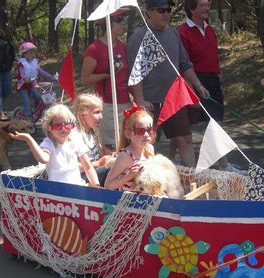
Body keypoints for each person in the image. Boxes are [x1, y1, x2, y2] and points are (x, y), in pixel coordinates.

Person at [127, 0, 209, 168]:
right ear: (149, 12)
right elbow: (135, 72)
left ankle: (191, 182)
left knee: (185, 139)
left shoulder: (173, 34)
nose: (166, 13)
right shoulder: (139, 37)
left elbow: (184, 64)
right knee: (148, 143)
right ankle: (148, 184)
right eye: (161, 10)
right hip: (150, 102)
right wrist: (140, 100)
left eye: (169, 9)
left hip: (174, 99)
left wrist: (198, 85)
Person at [178, 0, 244, 174]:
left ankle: (224, 165)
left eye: (208, 4)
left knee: (215, 123)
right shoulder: (183, 31)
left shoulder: (210, 29)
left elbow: (212, 57)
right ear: (192, 9)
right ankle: (171, 160)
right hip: (193, 81)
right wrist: (192, 87)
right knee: (182, 127)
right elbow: (182, 63)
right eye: (202, 5)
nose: (207, 8)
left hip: (212, 82)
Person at [9, 104, 100, 186]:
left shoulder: (75, 140)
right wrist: (29, 139)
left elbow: (88, 167)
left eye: (68, 125)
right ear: (48, 127)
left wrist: (96, 185)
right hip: (56, 190)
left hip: (76, 186)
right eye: (58, 126)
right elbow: (43, 159)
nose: (63, 129)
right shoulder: (48, 143)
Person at [80, 9, 131, 155]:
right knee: (110, 146)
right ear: (108, 23)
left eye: (123, 19)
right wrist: (107, 74)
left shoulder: (123, 47)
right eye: (119, 19)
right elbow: (85, 78)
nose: (123, 23)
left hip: (125, 101)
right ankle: (110, 175)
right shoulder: (94, 48)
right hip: (106, 104)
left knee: (125, 142)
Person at [104, 104, 155, 191]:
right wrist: (129, 176)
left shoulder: (149, 149)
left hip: (149, 196)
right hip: (130, 200)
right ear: (128, 133)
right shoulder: (125, 156)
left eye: (149, 130)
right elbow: (108, 185)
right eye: (140, 131)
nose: (146, 135)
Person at [72, 93, 112, 186]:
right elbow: (72, 167)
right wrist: (98, 163)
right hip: (81, 177)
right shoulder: (75, 135)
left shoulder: (92, 132)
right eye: (97, 112)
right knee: (110, 170)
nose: (101, 117)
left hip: (93, 172)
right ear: (82, 115)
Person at [16, 41, 53, 121]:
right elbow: (23, 76)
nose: (33, 54)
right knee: (27, 101)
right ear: (24, 54)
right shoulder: (21, 64)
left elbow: (40, 71)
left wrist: (50, 76)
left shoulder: (34, 62)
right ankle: (27, 116)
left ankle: (37, 112)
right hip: (23, 86)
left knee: (38, 97)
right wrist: (27, 79)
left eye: (33, 52)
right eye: (30, 52)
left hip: (31, 84)